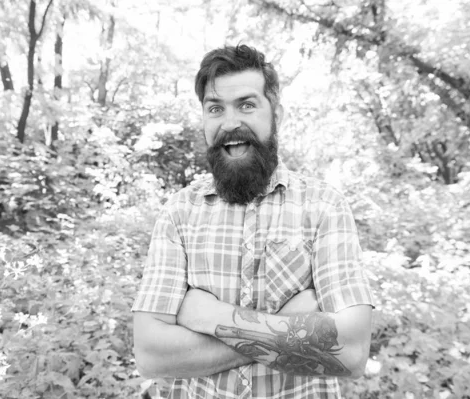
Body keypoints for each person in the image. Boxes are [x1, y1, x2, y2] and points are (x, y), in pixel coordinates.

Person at [132, 44, 374, 399]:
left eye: (247, 104)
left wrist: (206, 316)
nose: (230, 123)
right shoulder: (179, 212)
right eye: (215, 108)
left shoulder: (324, 206)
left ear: (276, 113)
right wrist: (291, 324)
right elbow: (151, 355)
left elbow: (351, 354)